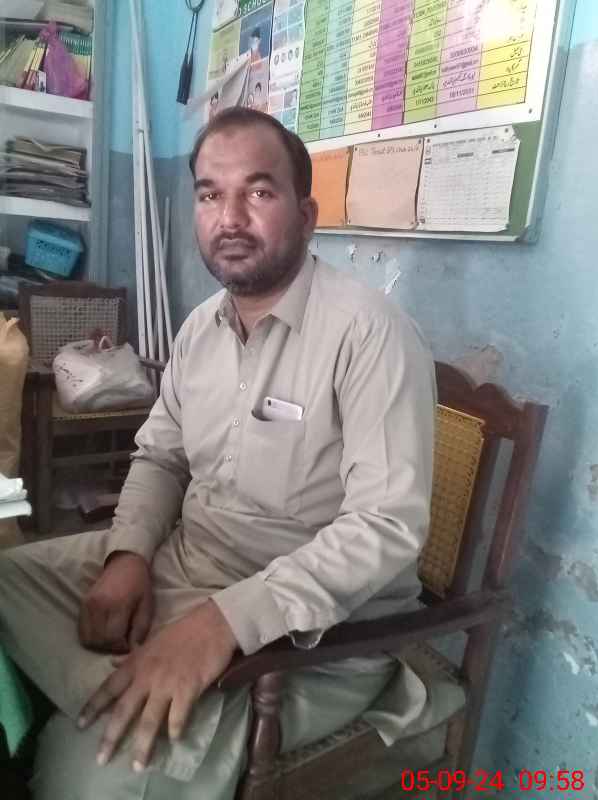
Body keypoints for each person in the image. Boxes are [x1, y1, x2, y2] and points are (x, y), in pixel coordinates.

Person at [0, 108, 436, 800]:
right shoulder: (200, 328)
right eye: (209, 194)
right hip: (185, 566)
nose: (230, 218)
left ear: (306, 214)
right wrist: (127, 556)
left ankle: (101, 717)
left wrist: (225, 622)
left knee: (81, 783)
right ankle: (115, 697)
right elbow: (160, 457)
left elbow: (386, 525)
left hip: (314, 634)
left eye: (258, 191)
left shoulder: (370, 334)